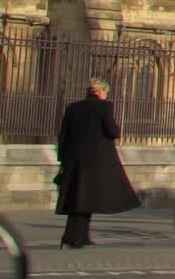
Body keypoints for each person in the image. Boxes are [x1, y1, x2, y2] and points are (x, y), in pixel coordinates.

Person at [54, 78, 140, 249]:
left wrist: (62, 159)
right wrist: (117, 130)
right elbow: (111, 130)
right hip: (95, 161)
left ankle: (80, 236)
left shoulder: (73, 107)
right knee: (85, 198)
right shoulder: (104, 107)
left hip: (73, 160)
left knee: (79, 197)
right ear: (101, 92)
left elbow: (63, 135)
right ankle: (73, 237)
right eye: (105, 93)